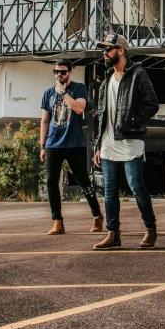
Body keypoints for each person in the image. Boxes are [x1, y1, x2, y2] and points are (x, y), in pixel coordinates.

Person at [92, 33, 160, 250]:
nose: (104, 52)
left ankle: (150, 229)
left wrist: (132, 120)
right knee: (109, 191)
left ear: (120, 50)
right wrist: (97, 146)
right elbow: (102, 115)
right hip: (108, 142)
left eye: (108, 48)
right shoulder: (106, 82)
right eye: (103, 49)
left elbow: (152, 104)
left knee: (136, 186)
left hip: (130, 140)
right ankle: (113, 234)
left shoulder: (138, 75)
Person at [40, 59, 103, 235]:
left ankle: (97, 215)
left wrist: (64, 93)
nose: (59, 75)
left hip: (75, 143)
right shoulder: (47, 94)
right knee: (51, 182)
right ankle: (57, 222)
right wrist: (42, 146)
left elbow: (79, 108)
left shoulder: (79, 88)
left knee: (83, 180)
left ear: (70, 72)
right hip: (53, 144)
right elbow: (45, 120)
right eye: (56, 72)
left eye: (62, 72)